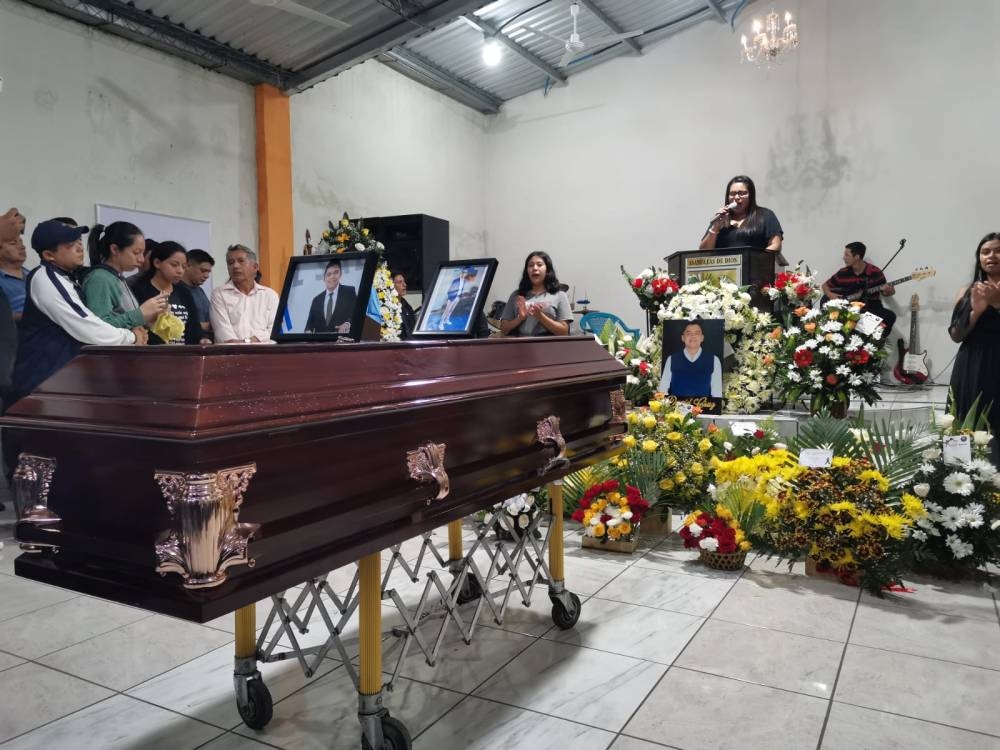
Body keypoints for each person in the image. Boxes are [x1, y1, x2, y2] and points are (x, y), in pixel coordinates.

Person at [11, 220, 145, 403]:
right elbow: (86, 326)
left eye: (79, 242)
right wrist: (131, 337)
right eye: (70, 246)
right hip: (40, 382)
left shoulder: (69, 277)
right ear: (49, 255)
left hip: (59, 380)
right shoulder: (47, 279)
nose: (79, 248)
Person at [949, 232, 1000, 465]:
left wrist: (996, 303)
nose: (991, 256)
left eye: (997, 251)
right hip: (972, 364)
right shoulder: (966, 291)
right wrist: (976, 312)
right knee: (966, 419)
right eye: (985, 252)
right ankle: (960, 477)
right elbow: (955, 335)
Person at [82, 222, 168, 332]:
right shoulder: (100, 279)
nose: (141, 259)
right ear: (115, 249)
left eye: (142, 253)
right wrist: (140, 314)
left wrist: (151, 318)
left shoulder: (117, 278)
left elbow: (122, 318)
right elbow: (99, 327)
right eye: (136, 252)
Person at [131, 241, 208, 345]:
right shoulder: (139, 290)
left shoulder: (184, 292)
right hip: (153, 352)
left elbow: (193, 326)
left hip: (183, 352)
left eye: (184, 267)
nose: (180, 271)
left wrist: (201, 339)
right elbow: (137, 325)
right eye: (174, 265)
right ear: (157, 263)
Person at [821, 241, 897, 335]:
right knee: (840, 319)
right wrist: (830, 294)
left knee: (890, 316)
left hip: (871, 307)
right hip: (850, 308)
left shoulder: (875, 272)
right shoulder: (843, 272)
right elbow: (825, 285)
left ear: (857, 257)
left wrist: (889, 291)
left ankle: (875, 341)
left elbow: (885, 292)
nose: (844, 258)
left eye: (847, 255)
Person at [210, 244, 279, 343]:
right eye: (230, 263)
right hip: (231, 351)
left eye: (241, 261)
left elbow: (275, 331)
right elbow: (223, 333)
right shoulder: (219, 294)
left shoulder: (270, 295)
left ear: (255, 267)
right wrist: (250, 342)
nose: (235, 266)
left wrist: (247, 341)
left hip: (264, 351)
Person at [699, 175, 784, 256]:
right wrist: (715, 227)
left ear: (751, 195)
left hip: (755, 265)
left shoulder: (765, 215)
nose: (736, 197)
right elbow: (704, 253)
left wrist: (757, 260)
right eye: (732, 194)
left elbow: (775, 245)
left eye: (741, 193)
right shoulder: (721, 218)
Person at [500, 251, 573, 336]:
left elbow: (564, 332)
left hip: (548, 344)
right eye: (531, 265)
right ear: (527, 271)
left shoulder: (560, 295)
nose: (534, 268)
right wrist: (520, 318)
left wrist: (540, 316)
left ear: (547, 269)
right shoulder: (516, 295)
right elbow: (503, 329)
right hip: (520, 343)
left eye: (539, 265)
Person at [658, 320, 723, 398]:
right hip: (676, 405)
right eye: (689, 333)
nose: (693, 336)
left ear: (702, 338)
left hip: (704, 405)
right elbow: (662, 390)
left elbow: (717, 394)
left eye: (697, 333)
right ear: (683, 338)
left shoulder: (714, 360)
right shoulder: (671, 359)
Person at [305, 258, 357, 333]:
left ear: (340, 274)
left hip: (341, 339)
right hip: (319, 340)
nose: (332, 276)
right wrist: (308, 332)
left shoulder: (349, 292)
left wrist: (347, 324)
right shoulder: (316, 300)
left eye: (335, 272)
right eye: (329, 274)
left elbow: (355, 314)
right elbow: (308, 326)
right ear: (324, 279)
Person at [182, 248, 215, 336]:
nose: (207, 276)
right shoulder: (175, 290)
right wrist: (207, 326)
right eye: (203, 271)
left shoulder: (200, 290)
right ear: (187, 266)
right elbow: (177, 323)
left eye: (208, 272)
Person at [0, 230, 28, 320]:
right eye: (13, 243)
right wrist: (32, 315)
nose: (22, 247)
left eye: (21, 242)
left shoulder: (33, 275)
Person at [392, 271, 417, 339]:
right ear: (392, 285)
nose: (404, 284)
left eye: (404, 281)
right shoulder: (388, 308)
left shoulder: (407, 306)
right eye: (400, 282)